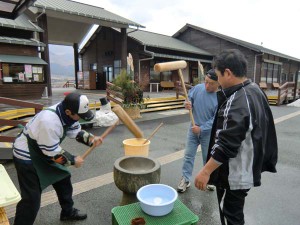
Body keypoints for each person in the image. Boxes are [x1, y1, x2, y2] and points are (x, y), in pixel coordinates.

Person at [194, 49, 278, 225]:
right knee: (234, 212)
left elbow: (226, 145)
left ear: (228, 73)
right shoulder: (254, 89)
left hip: (235, 172)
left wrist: (205, 171)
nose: (218, 82)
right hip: (248, 167)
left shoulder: (237, 101)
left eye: (218, 76)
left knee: (230, 214)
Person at [13, 92, 103, 225]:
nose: (80, 119)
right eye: (80, 116)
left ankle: (67, 212)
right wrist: (73, 160)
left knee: (63, 178)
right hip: (27, 155)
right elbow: (53, 154)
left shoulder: (68, 115)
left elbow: (75, 132)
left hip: (44, 150)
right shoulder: (49, 121)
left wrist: (91, 139)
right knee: (32, 199)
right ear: (68, 111)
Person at [177, 69, 219, 193]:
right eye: (206, 81)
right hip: (193, 129)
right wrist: (187, 104)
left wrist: (201, 128)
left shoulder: (219, 98)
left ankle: (210, 179)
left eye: (211, 83)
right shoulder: (198, 88)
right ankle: (185, 179)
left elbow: (215, 119)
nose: (207, 85)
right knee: (188, 155)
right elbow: (189, 99)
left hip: (207, 133)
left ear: (218, 83)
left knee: (208, 157)